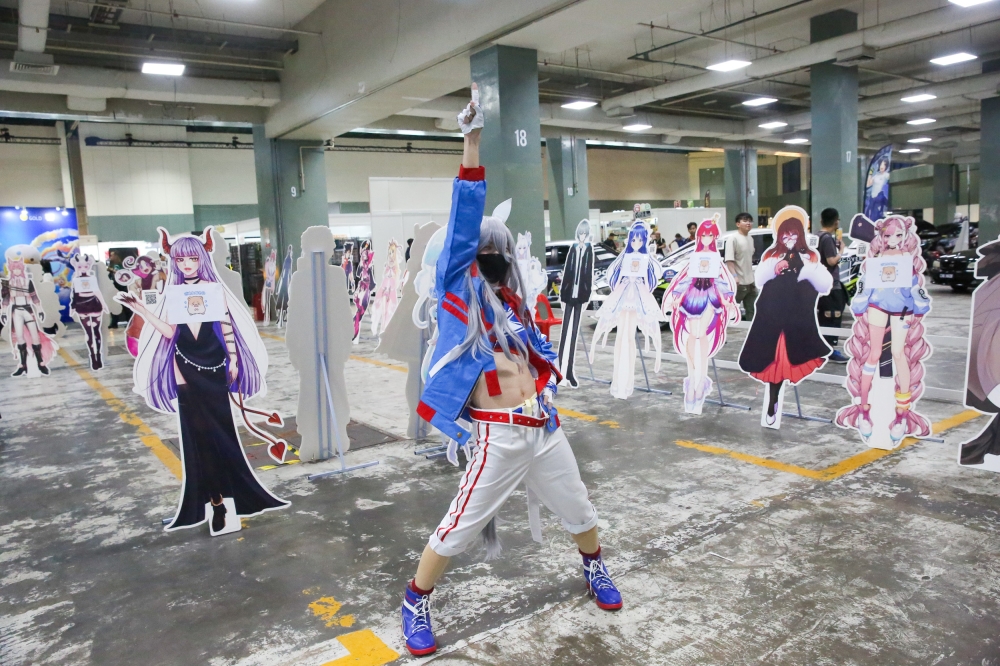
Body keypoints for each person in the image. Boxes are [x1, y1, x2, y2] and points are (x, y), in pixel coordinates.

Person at [401, 87, 621, 658]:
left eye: (500, 250)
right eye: (485, 250)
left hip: (543, 426)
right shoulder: (459, 298)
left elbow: (536, 358)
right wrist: (472, 142)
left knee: (578, 507)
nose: (495, 257)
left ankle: (594, 567)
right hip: (496, 435)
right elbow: (465, 217)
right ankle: (415, 600)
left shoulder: (514, 306)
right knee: (457, 526)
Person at [116, 228, 289, 535]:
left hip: (214, 366)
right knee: (198, 439)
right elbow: (170, 332)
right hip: (185, 367)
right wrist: (140, 309)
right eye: (181, 259)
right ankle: (216, 502)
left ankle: (234, 496)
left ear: (201, 259)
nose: (186, 265)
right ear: (174, 261)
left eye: (192, 259)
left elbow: (226, 325)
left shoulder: (213, 289)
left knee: (222, 435)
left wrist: (233, 358)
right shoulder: (172, 292)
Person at [836, 215, 931, 445]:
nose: (893, 239)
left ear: (905, 235)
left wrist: (920, 303)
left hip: (902, 308)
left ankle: (901, 414)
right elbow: (867, 282)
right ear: (881, 235)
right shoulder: (876, 257)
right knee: (873, 353)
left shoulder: (907, 258)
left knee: (899, 353)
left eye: (898, 235)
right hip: (878, 304)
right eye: (888, 235)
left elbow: (914, 285)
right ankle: (864, 409)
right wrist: (860, 303)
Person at [738, 207, 832, 426]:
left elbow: (823, 283)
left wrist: (805, 272)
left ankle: (774, 401)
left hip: (797, 315)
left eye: (794, 235)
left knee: (790, 354)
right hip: (772, 314)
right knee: (772, 358)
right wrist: (774, 268)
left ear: (801, 235)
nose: (790, 239)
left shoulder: (810, 256)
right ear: (779, 235)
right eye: (786, 235)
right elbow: (760, 279)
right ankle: (773, 401)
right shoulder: (771, 256)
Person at [663, 217, 740, 413]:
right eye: (703, 235)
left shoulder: (716, 258)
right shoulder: (695, 256)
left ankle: (699, 383)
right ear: (699, 236)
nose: (706, 238)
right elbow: (687, 278)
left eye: (710, 235)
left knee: (701, 334)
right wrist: (677, 296)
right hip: (692, 297)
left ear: (714, 237)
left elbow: (720, 280)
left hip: (710, 297)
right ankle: (692, 380)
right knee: (692, 334)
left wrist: (727, 299)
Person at [588, 220, 664, 400]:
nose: (636, 243)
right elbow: (613, 274)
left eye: (640, 240)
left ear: (644, 240)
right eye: (633, 239)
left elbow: (653, 277)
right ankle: (618, 381)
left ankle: (626, 382)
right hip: (622, 295)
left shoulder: (646, 258)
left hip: (638, 297)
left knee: (629, 338)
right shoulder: (624, 257)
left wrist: (650, 259)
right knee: (621, 337)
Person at [557, 219, 594, 388]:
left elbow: (588, 273)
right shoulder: (573, 248)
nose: (582, 236)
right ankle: (558, 369)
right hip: (569, 294)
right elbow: (568, 272)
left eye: (585, 234)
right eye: (580, 233)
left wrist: (586, 294)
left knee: (573, 334)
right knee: (564, 333)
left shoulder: (589, 250)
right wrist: (563, 293)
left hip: (580, 295)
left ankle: (569, 371)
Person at [817, 208, 849, 363]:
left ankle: (822, 348)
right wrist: (841, 250)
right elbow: (831, 261)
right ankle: (830, 350)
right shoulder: (827, 239)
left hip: (819, 283)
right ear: (836, 222)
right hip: (830, 285)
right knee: (833, 316)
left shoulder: (816, 236)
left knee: (823, 317)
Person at [724, 212, 758, 321]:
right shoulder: (733, 239)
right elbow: (729, 261)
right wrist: (735, 276)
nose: (748, 223)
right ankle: (724, 328)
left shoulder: (750, 238)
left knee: (752, 310)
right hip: (739, 283)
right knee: (730, 309)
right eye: (745, 221)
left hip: (751, 282)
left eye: (750, 221)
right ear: (738, 224)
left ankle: (750, 330)